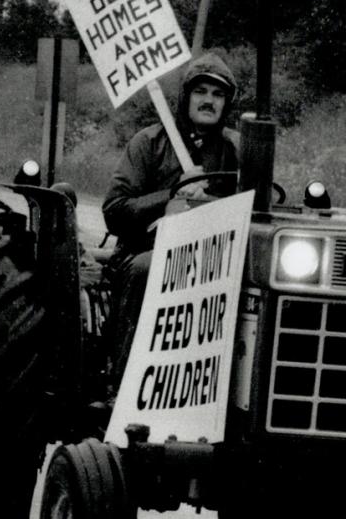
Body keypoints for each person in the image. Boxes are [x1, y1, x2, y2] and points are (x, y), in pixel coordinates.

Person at [100, 51, 242, 380]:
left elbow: (256, 204)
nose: (209, 101)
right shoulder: (149, 143)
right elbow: (115, 211)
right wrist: (171, 193)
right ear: (185, 96)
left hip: (215, 254)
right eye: (201, 92)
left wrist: (215, 199)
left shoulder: (237, 149)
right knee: (147, 268)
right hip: (149, 249)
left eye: (218, 94)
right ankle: (124, 385)